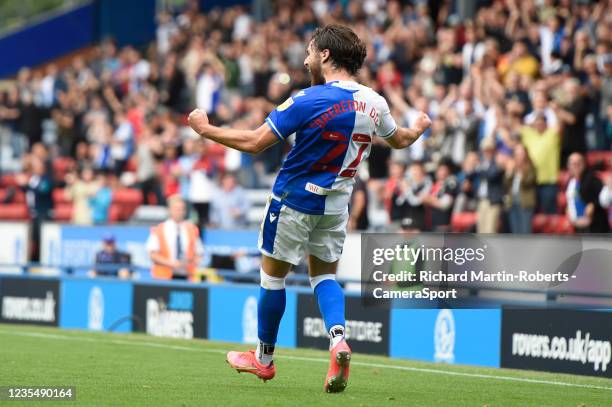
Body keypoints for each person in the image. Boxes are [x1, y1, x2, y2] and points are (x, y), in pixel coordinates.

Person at [188, 24, 431, 392]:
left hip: (294, 201)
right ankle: (337, 339)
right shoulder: (375, 103)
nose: (305, 59)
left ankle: (264, 359)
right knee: (324, 277)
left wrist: (206, 130)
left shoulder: (309, 100)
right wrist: (419, 128)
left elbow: (256, 142)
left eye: (309, 51)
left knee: (272, 277)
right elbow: (399, 140)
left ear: (325, 55)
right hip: (336, 205)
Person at [146, 194, 204, 281]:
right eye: (176, 209)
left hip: (187, 276)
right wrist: (171, 263)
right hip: (164, 277)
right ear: (169, 210)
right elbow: (152, 254)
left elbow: (199, 253)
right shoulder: (159, 229)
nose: (179, 212)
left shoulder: (192, 229)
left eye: (182, 209)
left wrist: (191, 262)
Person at [565, 153, 609, 233]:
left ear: (584, 164)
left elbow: (604, 199)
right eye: (573, 163)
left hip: (595, 228)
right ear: (568, 166)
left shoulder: (592, 179)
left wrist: (593, 204)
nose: (576, 165)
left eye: (579, 162)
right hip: (578, 228)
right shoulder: (571, 182)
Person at [503, 144, 537, 233]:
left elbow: (527, 182)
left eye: (521, 153)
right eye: (516, 154)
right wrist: (509, 172)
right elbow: (506, 184)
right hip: (512, 203)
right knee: (515, 232)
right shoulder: (512, 167)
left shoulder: (530, 167)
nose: (518, 156)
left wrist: (521, 170)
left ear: (525, 154)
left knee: (525, 231)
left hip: (525, 203)